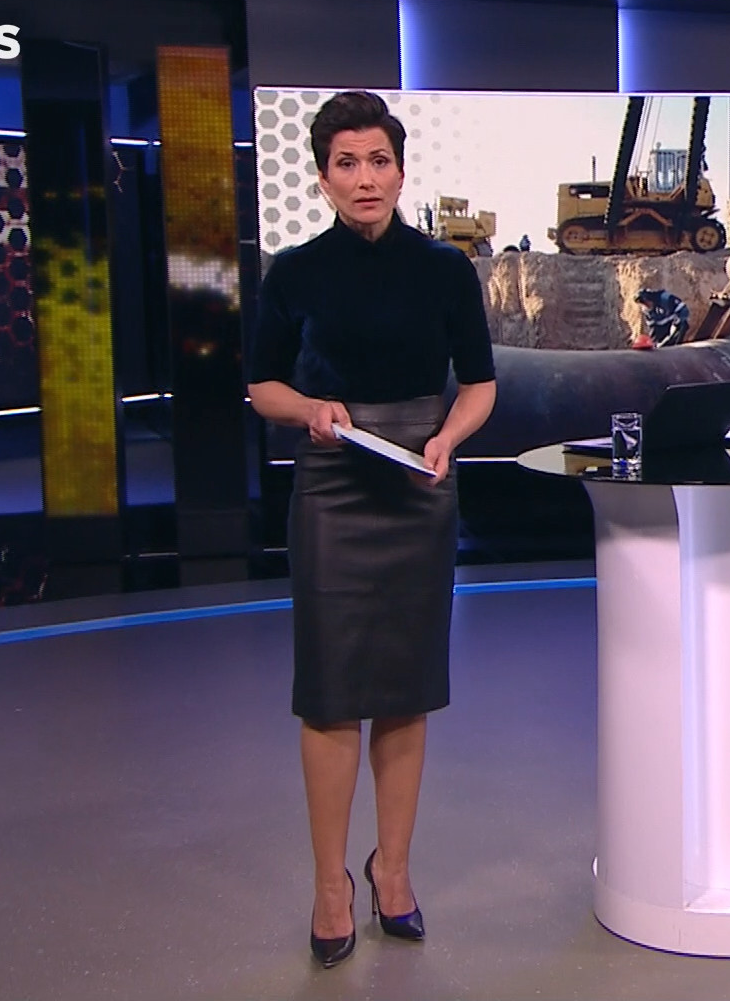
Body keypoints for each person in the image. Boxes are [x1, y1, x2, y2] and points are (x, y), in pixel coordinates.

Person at [246, 91, 497, 969]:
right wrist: (310, 410)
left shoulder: (444, 269)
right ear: (322, 179)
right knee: (329, 693)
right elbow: (262, 386)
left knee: (403, 687)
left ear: (400, 170)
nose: (365, 178)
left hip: (419, 483)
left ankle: (392, 869)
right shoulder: (295, 272)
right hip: (334, 486)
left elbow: (479, 385)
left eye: (378, 161)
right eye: (346, 163)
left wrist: (448, 439)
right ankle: (329, 886)